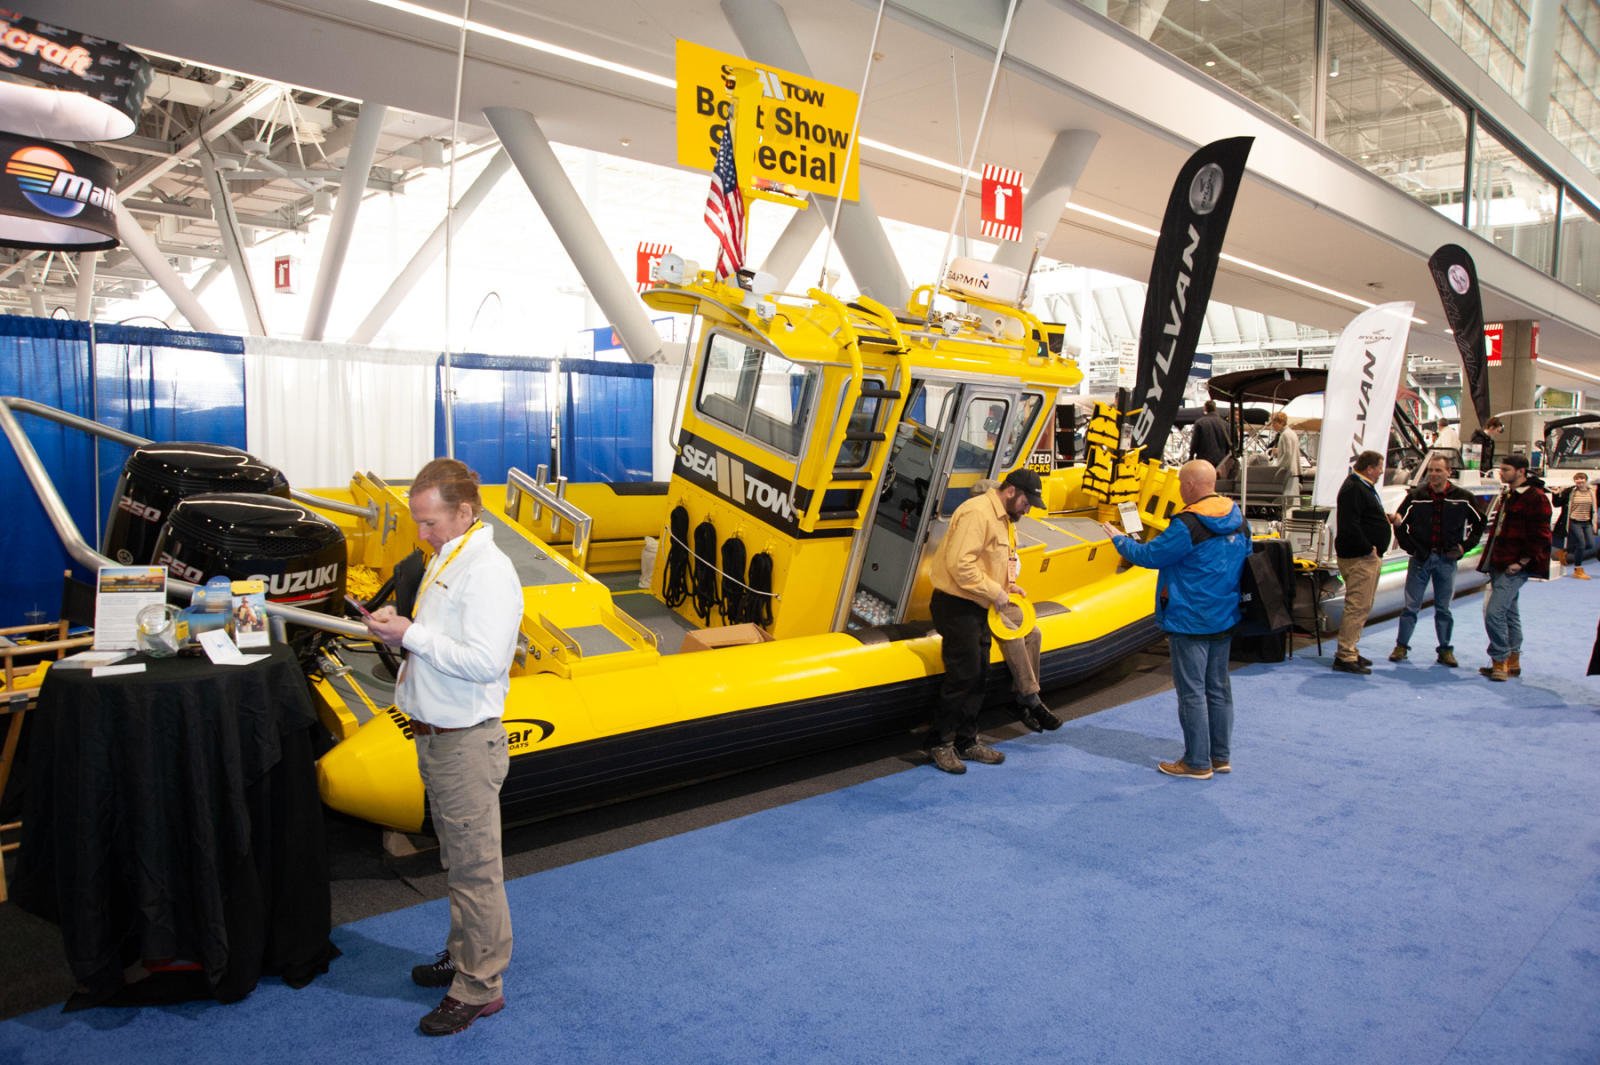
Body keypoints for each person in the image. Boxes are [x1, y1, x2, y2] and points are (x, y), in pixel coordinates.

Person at [363, 458, 523, 1036]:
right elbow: (443, 644)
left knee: (476, 869)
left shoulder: (489, 571)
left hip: (465, 743)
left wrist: (412, 634)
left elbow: (485, 661)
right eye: (417, 522)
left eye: (430, 523)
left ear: (465, 511)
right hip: (437, 737)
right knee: (459, 861)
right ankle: (463, 956)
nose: (421, 534)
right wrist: (400, 628)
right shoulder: (447, 557)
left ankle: (481, 987)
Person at [1102, 460, 1251, 779]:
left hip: (1189, 617)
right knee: (1219, 688)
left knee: (1192, 691)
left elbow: (1149, 556)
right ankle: (1220, 756)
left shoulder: (1187, 523)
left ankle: (1196, 762)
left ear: (1191, 486)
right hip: (1224, 614)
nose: (1180, 489)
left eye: (1183, 483)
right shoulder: (1238, 518)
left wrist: (1118, 538)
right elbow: (1246, 555)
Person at [926, 468, 1046, 774]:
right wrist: (995, 591)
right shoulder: (977, 514)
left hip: (980, 606)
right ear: (1011, 492)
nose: (1028, 508)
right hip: (957, 605)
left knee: (979, 675)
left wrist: (1007, 587)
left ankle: (966, 741)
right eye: (1026, 501)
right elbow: (960, 565)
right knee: (963, 675)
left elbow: (993, 560)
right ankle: (940, 743)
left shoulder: (1002, 518)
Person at [970, 479, 1062, 734]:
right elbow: (969, 571)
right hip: (977, 600)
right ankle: (1032, 698)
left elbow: (1010, 563)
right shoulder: (976, 523)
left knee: (1033, 632)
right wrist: (997, 590)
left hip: (996, 597)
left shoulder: (1007, 528)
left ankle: (1023, 700)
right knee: (1013, 636)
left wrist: (1009, 586)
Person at [1388, 455, 1486, 667]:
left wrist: (1463, 547)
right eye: (1431, 470)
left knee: (1444, 608)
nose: (1433, 474)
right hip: (1420, 559)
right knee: (1410, 606)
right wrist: (1411, 547)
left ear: (1449, 472)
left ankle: (1445, 649)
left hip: (1447, 561)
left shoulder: (1463, 498)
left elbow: (1480, 524)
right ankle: (1401, 646)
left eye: (1438, 470)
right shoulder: (1415, 496)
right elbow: (1399, 523)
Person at [1477, 453, 1551, 681]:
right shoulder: (1510, 495)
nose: (1501, 473)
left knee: (1494, 614)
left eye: (1506, 469)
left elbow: (1542, 535)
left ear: (1521, 471)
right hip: (1500, 561)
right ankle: (1512, 660)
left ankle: (1500, 660)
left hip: (1514, 565)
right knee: (1509, 612)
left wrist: (1522, 562)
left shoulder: (1535, 498)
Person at [1332, 450, 1391, 675]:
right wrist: (1368, 548)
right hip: (1360, 557)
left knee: (1362, 605)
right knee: (1357, 606)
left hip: (1364, 556)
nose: (1381, 471)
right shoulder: (1354, 488)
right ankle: (1345, 655)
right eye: (1379, 467)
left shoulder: (1361, 487)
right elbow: (1350, 524)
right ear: (1369, 468)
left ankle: (1351, 649)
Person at [1552, 472, 1596, 579]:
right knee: (1581, 544)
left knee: (1590, 544)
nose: (1580, 481)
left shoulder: (1591, 491)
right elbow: (1557, 503)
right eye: (1577, 479)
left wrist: (1594, 522)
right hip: (1574, 521)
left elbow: (1594, 508)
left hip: (1587, 521)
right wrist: (1556, 494)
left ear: (1586, 480)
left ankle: (1564, 552)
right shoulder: (1570, 491)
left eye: (1582, 479)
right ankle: (1578, 569)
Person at [1189, 400, 1232, 468]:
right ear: (1215, 408)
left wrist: (1191, 456)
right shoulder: (1226, 424)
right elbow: (1229, 442)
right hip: (1221, 459)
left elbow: (1195, 442)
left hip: (1204, 458)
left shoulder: (1200, 422)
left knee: (1205, 478)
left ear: (1205, 408)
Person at [1267, 411, 1301, 477]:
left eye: (1274, 423)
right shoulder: (1292, 433)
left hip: (1289, 472)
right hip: (1294, 470)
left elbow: (1288, 454)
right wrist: (1279, 450)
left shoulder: (1285, 434)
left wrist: (1278, 468)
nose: (1272, 426)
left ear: (1282, 422)